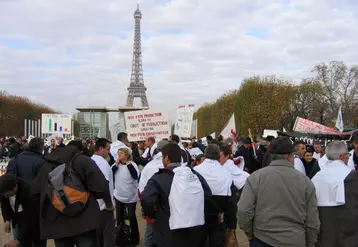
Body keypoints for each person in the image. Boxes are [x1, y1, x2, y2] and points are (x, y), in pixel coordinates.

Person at [238, 137, 320, 247]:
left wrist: (249, 232)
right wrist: (310, 243)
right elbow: (312, 221)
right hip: (294, 239)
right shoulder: (306, 183)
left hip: (262, 238)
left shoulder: (256, 178)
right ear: (290, 156)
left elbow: (244, 210)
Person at [32, 140, 113, 247]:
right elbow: (101, 186)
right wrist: (108, 203)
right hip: (85, 219)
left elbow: (34, 193)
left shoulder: (47, 165)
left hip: (58, 223)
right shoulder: (83, 160)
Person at [141, 143, 210, 247]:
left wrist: (152, 215)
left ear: (167, 158)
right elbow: (208, 193)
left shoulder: (159, 178)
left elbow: (146, 198)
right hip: (195, 232)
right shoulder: (193, 174)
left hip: (168, 233)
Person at [312, 141, 358, 247]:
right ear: (342, 156)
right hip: (349, 235)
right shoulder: (353, 178)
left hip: (323, 235)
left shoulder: (316, 178)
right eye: (348, 155)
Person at [194, 144, 237, 247]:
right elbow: (231, 202)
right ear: (219, 156)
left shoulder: (196, 171)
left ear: (205, 154)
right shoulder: (226, 173)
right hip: (219, 218)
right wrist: (232, 224)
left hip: (199, 216)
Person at [138, 140, 170, 247]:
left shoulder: (149, 166)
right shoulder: (176, 166)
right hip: (168, 208)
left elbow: (141, 189)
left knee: (149, 234)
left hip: (151, 206)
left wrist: (147, 209)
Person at [0, 174, 42, 247]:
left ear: (15, 187)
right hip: (19, 220)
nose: (6, 196)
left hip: (36, 224)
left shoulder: (29, 191)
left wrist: (19, 240)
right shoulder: (3, 187)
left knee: (35, 243)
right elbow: (4, 203)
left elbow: (31, 218)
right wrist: (7, 219)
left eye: (8, 194)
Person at [112, 148, 140, 246]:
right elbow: (111, 173)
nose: (119, 155)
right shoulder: (116, 165)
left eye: (121, 153)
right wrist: (116, 164)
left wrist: (129, 165)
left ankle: (135, 238)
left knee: (132, 217)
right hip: (119, 195)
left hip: (130, 197)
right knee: (119, 218)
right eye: (118, 153)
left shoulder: (133, 165)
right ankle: (121, 237)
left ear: (127, 154)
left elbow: (135, 176)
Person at [92, 138, 115, 247]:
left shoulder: (90, 160)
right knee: (107, 238)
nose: (109, 152)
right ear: (100, 148)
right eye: (107, 149)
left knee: (97, 239)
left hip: (94, 207)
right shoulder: (103, 163)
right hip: (104, 208)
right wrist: (109, 204)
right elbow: (103, 185)